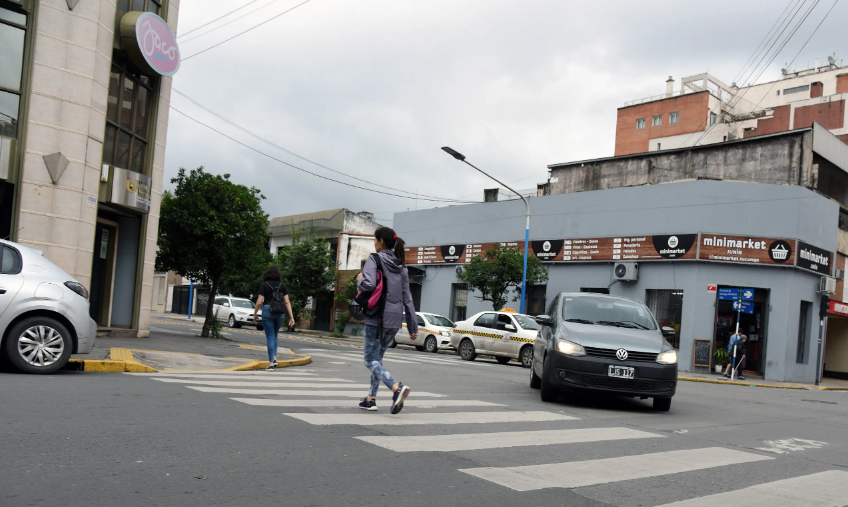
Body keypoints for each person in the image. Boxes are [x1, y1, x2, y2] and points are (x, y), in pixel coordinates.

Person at [356, 227, 418, 414]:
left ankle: (396, 387)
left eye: (375, 240)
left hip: (376, 317)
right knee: (378, 359)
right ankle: (371, 399)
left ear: (381, 242)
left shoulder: (374, 259)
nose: (374, 244)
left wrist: (359, 279)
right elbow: (408, 299)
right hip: (394, 320)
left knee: (369, 360)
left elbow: (368, 284)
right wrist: (413, 327)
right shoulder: (402, 268)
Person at [253, 266, 294, 370]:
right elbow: (287, 302)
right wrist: (291, 317)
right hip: (280, 312)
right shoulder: (282, 285)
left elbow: (259, 302)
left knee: (270, 336)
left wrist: (255, 313)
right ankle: (275, 358)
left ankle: (271, 362)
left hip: (268, 310)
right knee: (275, 335)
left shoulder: (264, 285)